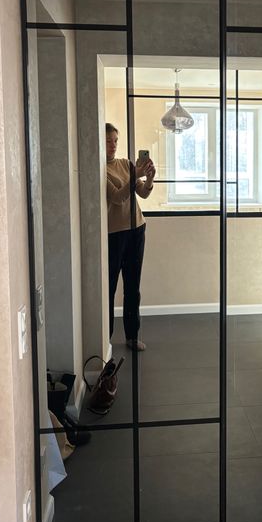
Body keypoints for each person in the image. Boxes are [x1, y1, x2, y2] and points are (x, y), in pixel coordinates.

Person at [106, 123, 155, 351]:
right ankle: (105, 340)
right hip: (113, 234)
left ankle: (132, 336)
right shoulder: (99, 169)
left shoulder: (126, 164)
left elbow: (142, 193)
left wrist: (149, 179)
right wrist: (136, 174)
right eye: (108, 141)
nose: (113, 145)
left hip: (137, 230)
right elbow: (117, 197)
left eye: (115, 140)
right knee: (109, 286)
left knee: (133, 286)